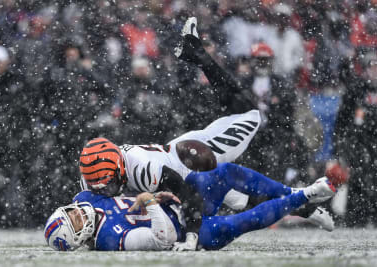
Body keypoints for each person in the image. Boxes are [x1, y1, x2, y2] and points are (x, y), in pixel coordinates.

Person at [77, 17, 334, 250]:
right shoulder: (96, 172)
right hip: (175, 161)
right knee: (240, 201)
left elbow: (187, 196)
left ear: (120, 168)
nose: (107, 190)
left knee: (249, 117)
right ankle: (304, 204)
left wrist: (191, 237)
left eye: (110, 183)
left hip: (186, 161)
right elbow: (88, 199)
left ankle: (199, 55)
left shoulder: (145, 170)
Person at [44, 169, 336, 251]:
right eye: (72, 222)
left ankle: (304, 205)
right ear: (78, 239)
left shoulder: (86, 197)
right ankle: (305, 195)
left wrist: (154, 194)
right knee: (243, 222)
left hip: (181, 205)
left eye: (69, 212)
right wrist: (149, 201)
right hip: (189, 234)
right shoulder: (109, 238)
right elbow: (164, 238)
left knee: (222, 172)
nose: (76, 214)